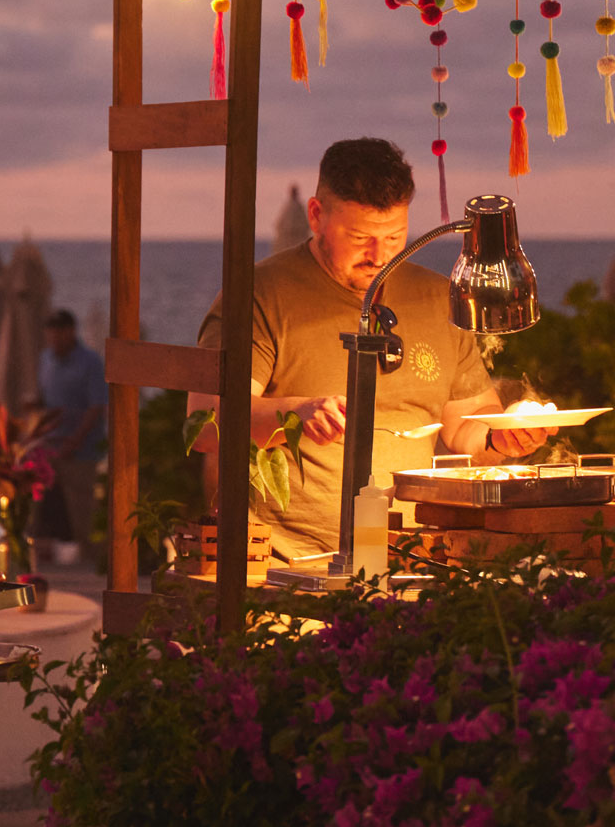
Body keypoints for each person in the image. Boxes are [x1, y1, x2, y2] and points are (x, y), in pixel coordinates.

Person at [190, 138, 552, 561]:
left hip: (414, 554)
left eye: (395, 236)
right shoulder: (259, 295)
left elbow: (465, 429)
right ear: (316, 216)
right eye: (359, 237)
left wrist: (505, 435)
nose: (379, 256)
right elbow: (206, 422)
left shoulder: (436, 298)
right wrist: (297, 414)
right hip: (285, 562)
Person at [38, 308, 107, 564]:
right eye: (50, 333)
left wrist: (74, 440)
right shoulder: (46, 359)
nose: (54, 338)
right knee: (42, 504)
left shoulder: (90, 362)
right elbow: (47, 399)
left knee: (83, 509)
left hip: (82, 448)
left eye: (59, 332)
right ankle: (42, 556)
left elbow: (97, 405)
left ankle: (95, 561)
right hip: (50, 445)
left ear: (70, 332)